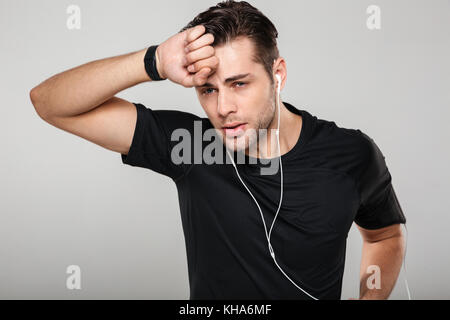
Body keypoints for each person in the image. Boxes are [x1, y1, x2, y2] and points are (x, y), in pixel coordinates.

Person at [29, 0, 406, 300]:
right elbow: (49, 102)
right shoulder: (191, 144)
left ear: (279, 75)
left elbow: (384, 235)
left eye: (239, 84)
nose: (222, 108)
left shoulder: (351, 154)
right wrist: (155, 61)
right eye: (208, 90)